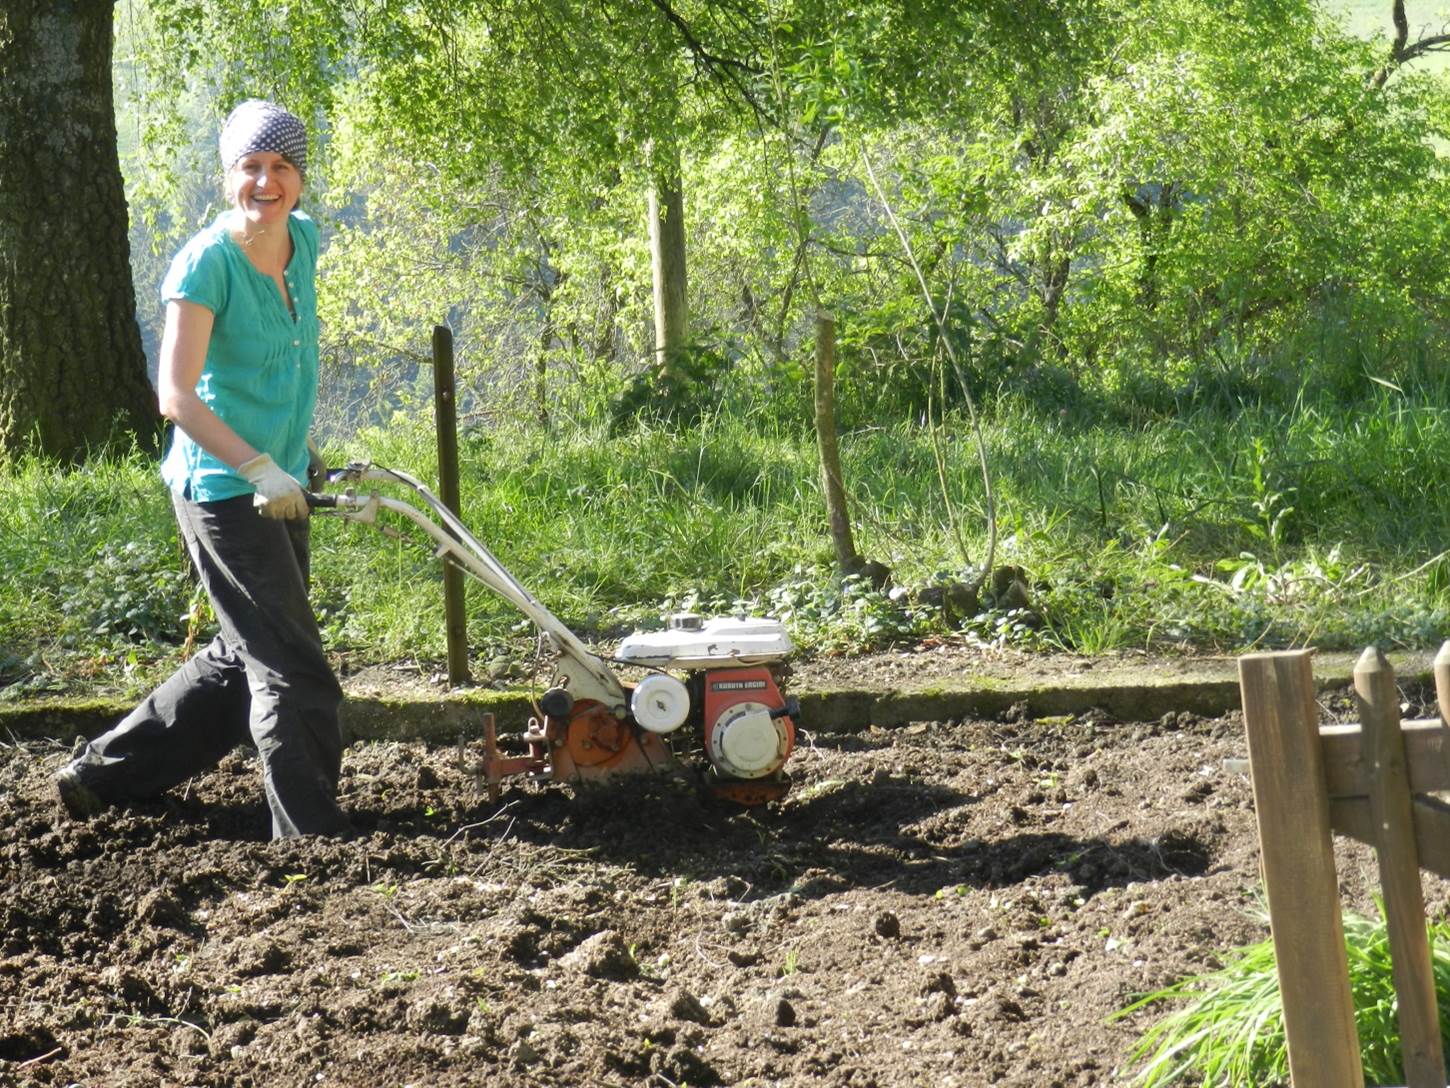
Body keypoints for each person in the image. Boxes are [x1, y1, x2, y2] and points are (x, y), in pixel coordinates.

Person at [52, 100, 350, 839]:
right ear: (228, 178)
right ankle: (311, 838)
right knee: (290, 665)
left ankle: (101, 777)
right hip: (224, 488)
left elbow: (286, 358)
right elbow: (176, 395)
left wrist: (297, 455)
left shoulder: (302, 243)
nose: (266, 180)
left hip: (279, 479)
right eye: (251, 166)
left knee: (240, 653)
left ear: (300, 179)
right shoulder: (206, 263)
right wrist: (256, 467)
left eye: (281, 166)